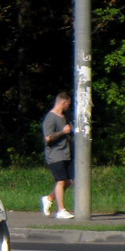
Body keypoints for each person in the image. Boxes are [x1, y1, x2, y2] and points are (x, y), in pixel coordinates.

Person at [41, 91, 74, 219]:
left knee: (70, 181)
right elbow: (48, 138)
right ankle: (61, 210)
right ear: (63, 103)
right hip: (55, 154)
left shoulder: (65, 116)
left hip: (66, 152)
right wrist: (62, 132)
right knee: (61, 181)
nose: (68, 107)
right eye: (68, 104)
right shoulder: (51, 117)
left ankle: (49, 198)